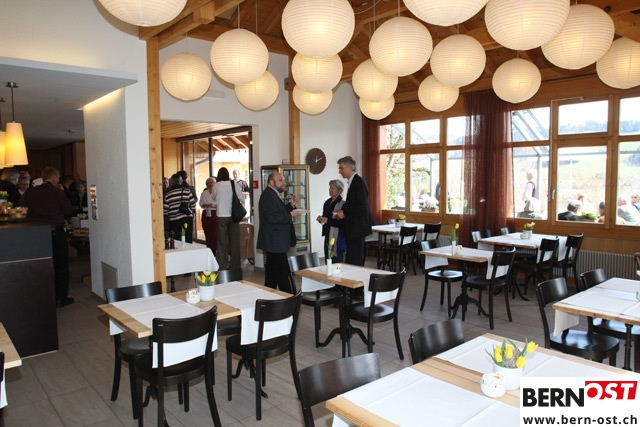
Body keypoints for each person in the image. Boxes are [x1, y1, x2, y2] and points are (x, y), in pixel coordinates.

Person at [23, 167, 74, 307]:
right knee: (61, 266)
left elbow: (26, 212)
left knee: (41, 266)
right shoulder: (56, 192)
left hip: (38, 234)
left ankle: (43, 296)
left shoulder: (31, 192)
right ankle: (60, 298)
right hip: (55, 232)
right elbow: (68, 211)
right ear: (54, 177)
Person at [257, 172, 302, 292]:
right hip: (275, 241)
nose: (284, 183)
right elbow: (271, 217)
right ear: (271, 182)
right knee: (282, 274)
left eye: (284, 180)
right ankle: (289, 299)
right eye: (281, 180)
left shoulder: (272, 194)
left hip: (275, 241)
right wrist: (290, 215)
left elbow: (278, 212)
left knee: (272, 274)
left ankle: (269, 297)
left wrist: (291, 205)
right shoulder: (268, 196)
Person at [333, 156, 372, 266]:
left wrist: (344, 213)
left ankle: (356, 277)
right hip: (353, 227)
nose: (339, 171)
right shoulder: (353, 182)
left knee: (355, 259)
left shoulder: (358, 183)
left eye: (341, 168)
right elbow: (353, 204)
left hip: (357, 228)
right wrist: (342, 210)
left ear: (349, 168)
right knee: (351, 258)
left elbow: (362, 206)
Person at [213, 167, 245, 269]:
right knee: (234, 242)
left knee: (221, 242)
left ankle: (222, 265)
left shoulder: (216, 185)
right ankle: (235, 266)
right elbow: (242, 198)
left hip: (221, 216)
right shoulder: (233, 183)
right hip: (233, 216)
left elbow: (214, 198)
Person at [316, 179, 346, 263]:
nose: (330, 190)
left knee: (336, 261)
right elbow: (325, 217)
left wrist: (328, 221)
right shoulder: (327, 202)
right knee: (328, 260)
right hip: (327, 234)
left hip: (337, 236)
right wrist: (321, 219)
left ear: (339, 190)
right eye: (330, 188)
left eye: (333, 188)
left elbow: (343, 223)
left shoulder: (343, 204)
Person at [163, 172, 196, 243]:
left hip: (174, 221)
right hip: (187, 219)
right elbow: (193, 205)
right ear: (180, 182)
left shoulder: (168, 194)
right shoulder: (187, 191)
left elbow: (165, 210)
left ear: (171, 183)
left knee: (176, 241)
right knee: (188, 240)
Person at [199, 177, 217, 255]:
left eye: (211, 182)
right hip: (206, 214)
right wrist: (206, 205)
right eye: (208, 183)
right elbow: (201, 203)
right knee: (208, 232)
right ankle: (209, 248)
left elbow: (220, 203)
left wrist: (213, 205)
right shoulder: (204, 193)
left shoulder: (217, 192)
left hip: (215, 214)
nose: (209, 184)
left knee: (215, 233)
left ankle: (215, 249)